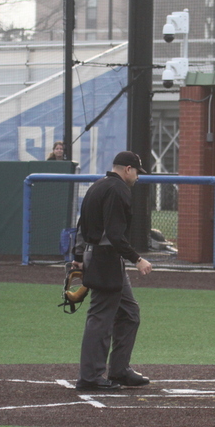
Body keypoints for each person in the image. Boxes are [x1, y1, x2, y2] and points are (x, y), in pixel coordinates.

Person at [72, 151, 153, 391]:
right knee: (100, 319)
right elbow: (115, 235)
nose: (138, 177)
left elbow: (80, 224)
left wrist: (77, 256)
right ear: (128, 169)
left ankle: (119, 370)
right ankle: (90, 377)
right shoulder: (118, 190)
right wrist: (137, 259)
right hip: (105, 259)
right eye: (137, 172)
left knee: (129, 313)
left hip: (97, 256)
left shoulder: (97, 186)